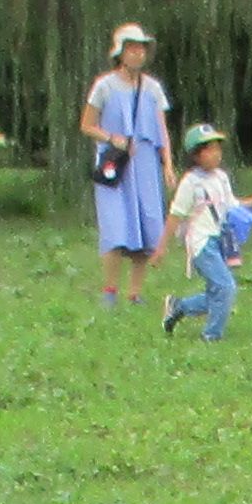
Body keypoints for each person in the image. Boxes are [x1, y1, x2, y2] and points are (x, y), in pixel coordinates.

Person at [81, 22, 173, 314]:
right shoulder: (104, 86)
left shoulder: (153, 88)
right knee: (114, 225)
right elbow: (86, 125)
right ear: (120, 53)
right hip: (114, 163)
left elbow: (162, 129)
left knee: (147, 224)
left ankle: (135, 292)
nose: (137, 54)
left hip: (144, 162)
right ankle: (110, 290)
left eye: (141, 48)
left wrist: (167, 163)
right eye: (132, 48)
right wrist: (112, 138)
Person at [160, 127, 252, 342]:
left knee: (218, 292)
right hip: (201, 243)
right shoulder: (190, 183)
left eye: (217, 149)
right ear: (195, 155)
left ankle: (179, 306)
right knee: (225, 287)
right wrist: (161, 248)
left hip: (219, 240)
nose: (216, 154)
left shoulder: (221, 177)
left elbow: (231, 204)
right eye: (209, 149)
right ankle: (211, 336)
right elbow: (175, 215)